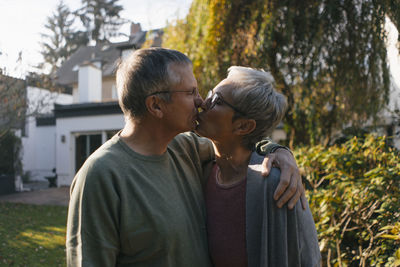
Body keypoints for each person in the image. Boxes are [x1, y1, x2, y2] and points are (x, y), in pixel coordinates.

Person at [66, 48, 305, 266]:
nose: (201, 101)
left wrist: (279, 151)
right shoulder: (101, 175)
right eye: (191, 92)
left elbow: (238, 144)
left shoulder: (185, 148)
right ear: (156, 105)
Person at [196, 66, 321, 267]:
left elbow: (307, 258)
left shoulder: (278, 185)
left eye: (217, 100)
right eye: (210, 94)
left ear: (244, 126)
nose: (203, 103)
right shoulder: (200, 171)